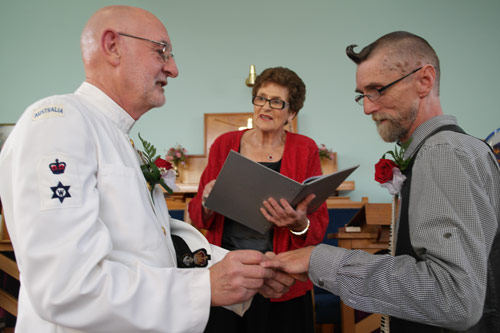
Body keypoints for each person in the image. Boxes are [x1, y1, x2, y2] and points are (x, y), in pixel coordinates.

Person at [0, 6, 294, 332]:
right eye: (161, 51)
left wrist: (238, 266)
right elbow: (66, 287)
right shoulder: (59, 123)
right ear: (113, 46)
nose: (173, 68)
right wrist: (203, 286)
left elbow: (150, 245)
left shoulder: (121, 140)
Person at [264, 31, 500, 332]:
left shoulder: (443, 153)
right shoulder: (446, 149)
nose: (368, 108)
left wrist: (321, 260)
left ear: (424, 80)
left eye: (378, 90)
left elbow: (452, 296)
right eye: (362, 95)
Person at [188, 66, 329, 333]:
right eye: (261, 98)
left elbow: (317, 224)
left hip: (280, 278)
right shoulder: (224, 143)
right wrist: (207, 198)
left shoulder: (305, 149)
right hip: (228, 272)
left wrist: (298, 223)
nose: (266, 107)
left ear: (292, 113)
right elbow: (197, 216)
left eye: (277, 102)